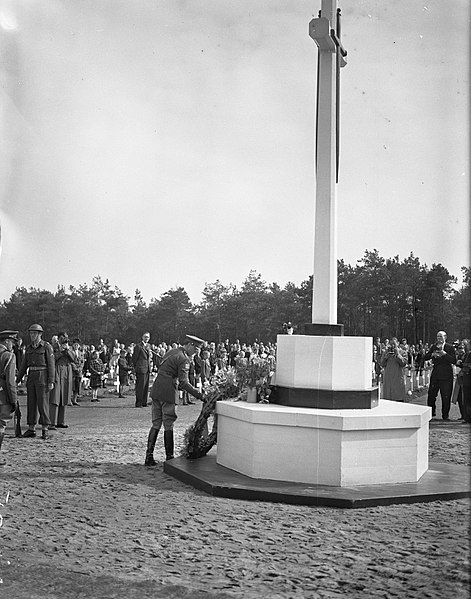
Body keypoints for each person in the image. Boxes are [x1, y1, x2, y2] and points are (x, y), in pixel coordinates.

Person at [144, 335, 204, 466]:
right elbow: (184, 383)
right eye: (195, 350)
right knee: (168, 424)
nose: (195, 353)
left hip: (157, 389)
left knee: (155, 423)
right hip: (169, 392)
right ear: (190, 345)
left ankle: (149, 456)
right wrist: (200, 395)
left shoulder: (172, 351)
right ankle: (169, 458)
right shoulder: (184, 359)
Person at [16, 324, 55, 440]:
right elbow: (23, 366)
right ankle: (31, 428)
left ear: (40, 334)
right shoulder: (28, 348)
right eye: (31, 333)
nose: (32, 335)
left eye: (34, 333)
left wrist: (51, 381)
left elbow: (51, 365)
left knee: (42, 403)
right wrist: (17, 380)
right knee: (31, 403)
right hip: (31, 376)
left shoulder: (46, 347)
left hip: (42, 376)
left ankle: (45, 428)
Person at [424, 330, 456, 420]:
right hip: (436, 373)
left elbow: (453, 360)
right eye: (438, 336)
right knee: (431, 394)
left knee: (446, 396)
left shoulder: (449, 347)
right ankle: (431, 413)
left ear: (445, 337)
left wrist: (444, 354)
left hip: (446, 374)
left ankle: (445, 415)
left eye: (441, 337)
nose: (439, 338)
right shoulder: (434, 346)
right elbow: (426, 357)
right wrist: (432, 354)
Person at [0, 331, 19, 463]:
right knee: (1, 425)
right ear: (6, 341)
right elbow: (11, 382)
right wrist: (14, 400)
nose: (13, 345)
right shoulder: (9, 356)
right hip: (2, 396)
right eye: (12, 342)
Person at [49, 332, 75, 429]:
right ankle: (51, 422)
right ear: (58, 338)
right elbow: (51, 359)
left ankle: (61, 421)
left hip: (66, 372)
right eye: (63, 338)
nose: (65, 340)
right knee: (55, 397)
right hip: (57, 371)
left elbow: (73, 359)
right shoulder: (52, 346)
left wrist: (67, 350)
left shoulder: (69, 347)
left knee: (64, 396)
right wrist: (59, 351)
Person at [132, 332, 152, 408]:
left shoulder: (148, 346)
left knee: (146, 387)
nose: (146, 338)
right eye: (145, 337)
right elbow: (134, 358)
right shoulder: (138, 346)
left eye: (148, 337)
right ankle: (139, 403)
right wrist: (136, 367)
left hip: (147, 368)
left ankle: (144, 402)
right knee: (140, 387)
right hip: (141, 369)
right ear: (142, 337)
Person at [455, 339, 471, 423]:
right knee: (465, 399)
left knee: (467, 399)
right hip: (466, 380)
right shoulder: (467, 354)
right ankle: (466, 417)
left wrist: (463, 364)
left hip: (467, 379)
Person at [71, 338, 85, 405]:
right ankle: (69, 400)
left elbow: (82, 362)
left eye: (77, 345)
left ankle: (74, 399)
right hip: (72, 371)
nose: (76, 346)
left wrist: (80, 368)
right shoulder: (71, 352)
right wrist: (75, 368)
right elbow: (70, 361)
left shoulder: (81, 353)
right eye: (75, 345)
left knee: (77, 385)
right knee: (72, 385)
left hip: (79, 371)